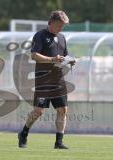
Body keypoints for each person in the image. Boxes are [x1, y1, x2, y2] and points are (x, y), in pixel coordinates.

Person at [18, 10, 75, 149]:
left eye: (63, 26)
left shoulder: (61, 37)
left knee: (63, 110)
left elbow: (64, 56)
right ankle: (24, 132)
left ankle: (59, 142)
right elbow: (34, 55)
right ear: (52, 23)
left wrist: (70, 61)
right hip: (44, 80)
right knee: (39, 111)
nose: (61, 28)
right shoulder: (40, 35)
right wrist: (52, 59)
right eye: (60, 25)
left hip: (59, 79)